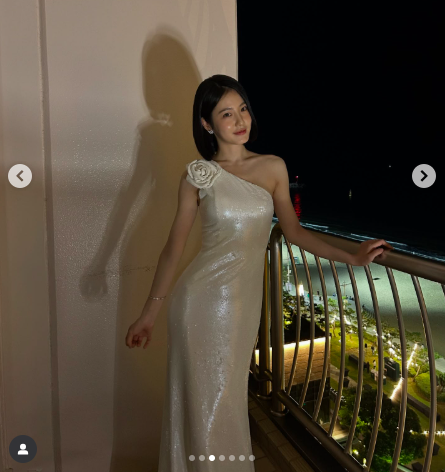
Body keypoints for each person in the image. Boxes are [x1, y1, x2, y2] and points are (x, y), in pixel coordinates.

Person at [124, 74, 393, 471]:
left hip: (242, 306)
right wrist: (149, 314)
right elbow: (173, 249)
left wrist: (352, 256)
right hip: (199, 303)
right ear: (206, 124)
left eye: (243, 109)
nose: (240, 120)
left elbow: (295, 232)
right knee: (204, 407)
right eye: (226, 114)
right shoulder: (198, 176)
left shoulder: (273, 167)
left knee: (227, 400)